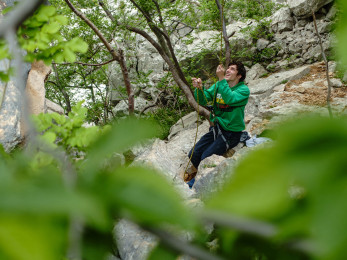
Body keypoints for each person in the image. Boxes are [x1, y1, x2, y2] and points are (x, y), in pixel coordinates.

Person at [183, 61, 250, 187]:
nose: (228, 70)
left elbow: (230, 98)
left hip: (231, 132)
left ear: (239, 75)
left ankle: (199, 182)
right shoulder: (219, 85)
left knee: (206, 156)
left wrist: (221, 79)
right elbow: (202, 99)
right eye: (228, 68)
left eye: (232, 69)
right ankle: (202, 174)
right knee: (194, 153)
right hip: (217, 128)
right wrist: (199, 88)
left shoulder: (243, 90)